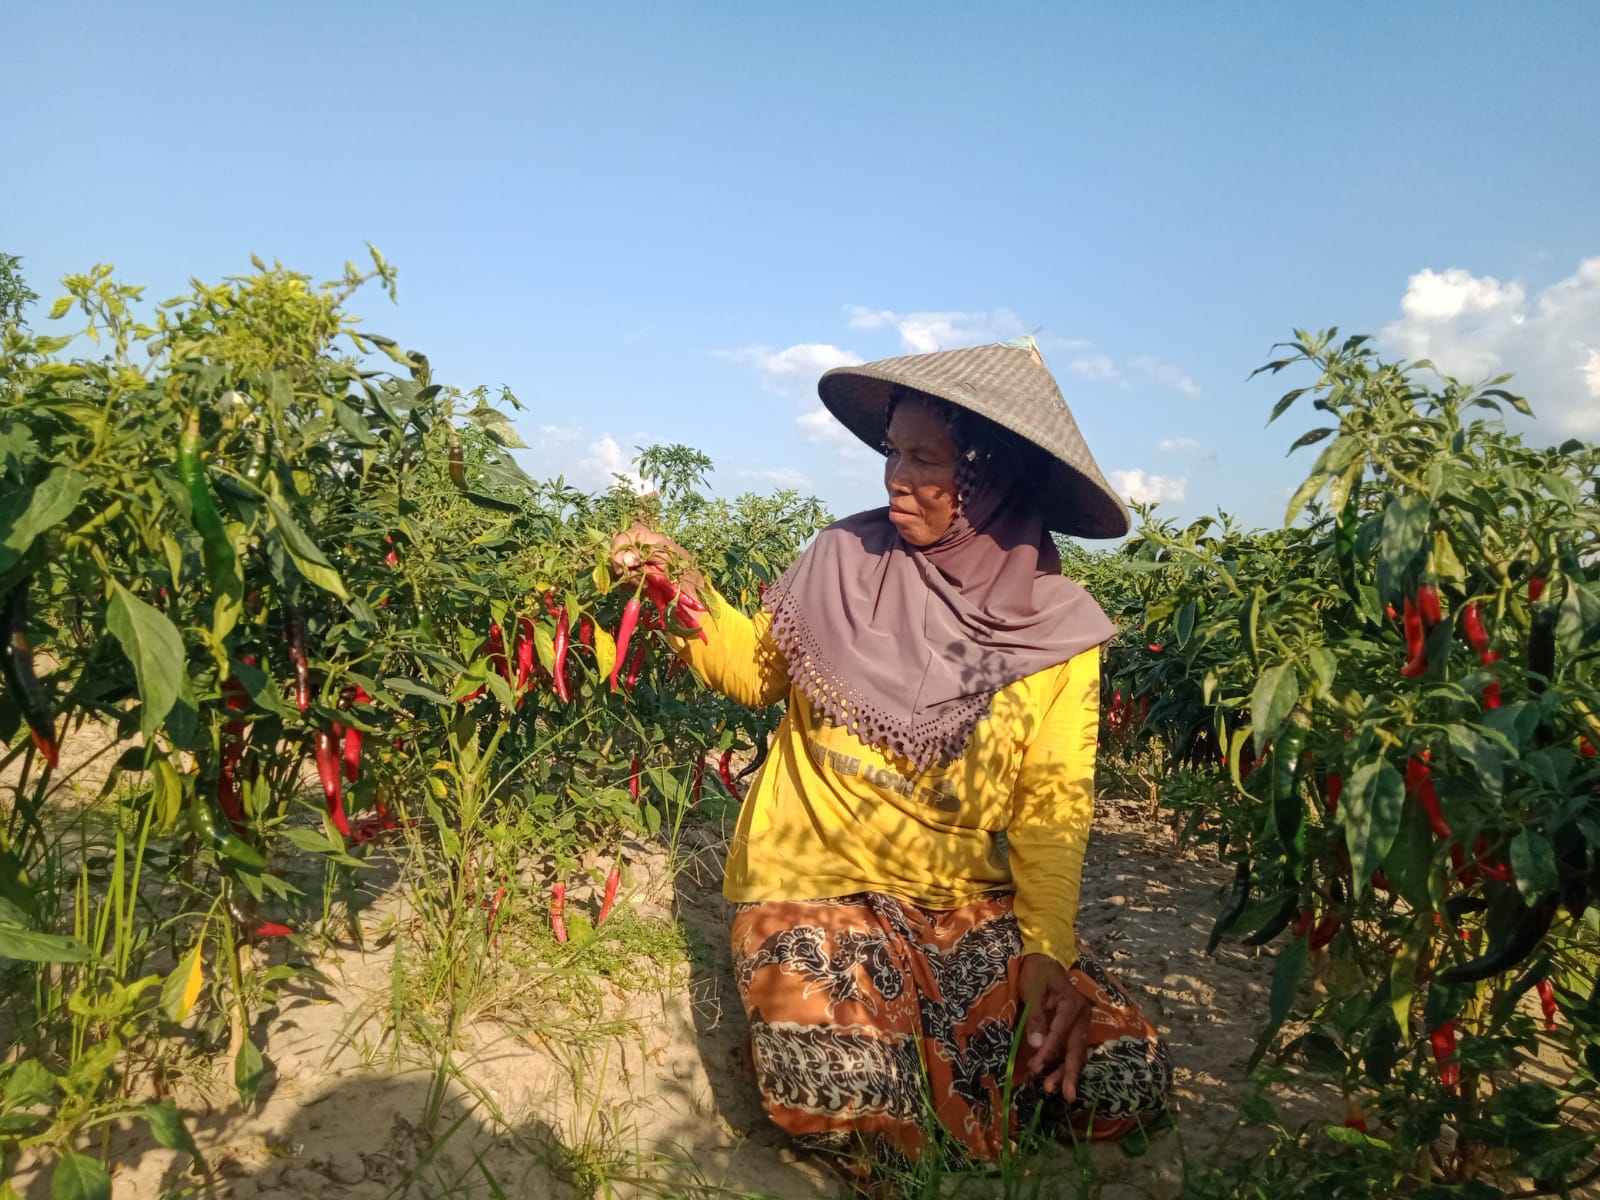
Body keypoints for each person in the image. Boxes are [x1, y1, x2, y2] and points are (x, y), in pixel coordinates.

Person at [610, 336, 1171, 1178]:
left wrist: (1044, 952)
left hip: (964, 907)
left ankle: (935, 1067)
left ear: (989, 479)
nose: (894, 479)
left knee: (1122, 1072)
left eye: (925, 461)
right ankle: (922, 1077)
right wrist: (675, 587)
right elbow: (754, 672)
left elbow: (1053, 807)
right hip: (817, 886)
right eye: (893, 452)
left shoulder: (1056, 628)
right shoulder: (843, 559)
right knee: (836, 1078)